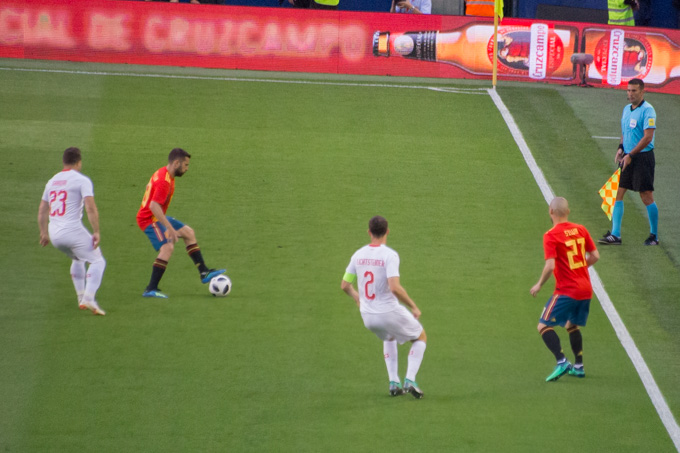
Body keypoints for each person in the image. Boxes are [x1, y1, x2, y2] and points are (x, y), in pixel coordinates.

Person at [341, 216, 426, 398]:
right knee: (420, 337)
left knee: (389, 337)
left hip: (368, 316)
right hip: (387, 311)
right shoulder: (389, 255)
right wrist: (413, 306)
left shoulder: (358, 255)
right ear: (387, 231)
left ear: (369, 232)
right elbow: (395, 288)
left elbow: (345, 285)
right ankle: (410, 379)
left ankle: (393, 382)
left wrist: (357, 298)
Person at [136, 148, 225, 298]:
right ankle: (151, 288)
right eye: (186, 165)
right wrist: (169, 228)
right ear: (176, 163)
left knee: (188, 233)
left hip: (156, 216)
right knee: (167, 247)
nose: (187, 168)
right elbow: (153, 206)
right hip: (149, 219)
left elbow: (149, 187)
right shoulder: (164, 181)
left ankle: (204, 272)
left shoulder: (164, 173)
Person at [530, 197, 599, 382]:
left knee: (543, 325)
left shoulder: (551, 235)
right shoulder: (581, 229)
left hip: (567, 290)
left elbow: (550, 266)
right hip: (585, 289)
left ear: (550, 212)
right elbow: (595, 256)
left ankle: (562, 362)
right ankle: (579, 366)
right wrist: (580, 268)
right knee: (571, 324)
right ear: (568, 211)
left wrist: (539, 284)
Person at [38, 147, 106, 316]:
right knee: (98, 261)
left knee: (78, 257)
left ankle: (81, 297)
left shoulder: (52, 181)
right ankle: (89, 298)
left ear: (63, 161)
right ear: (78, 162)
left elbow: (42, 210)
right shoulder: (81, 180)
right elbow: (90, 207)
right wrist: (96, 231)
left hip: (55, 234)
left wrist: (43, 233)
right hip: (72, 231)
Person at [599, 78, 658, 246]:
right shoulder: (626, 109)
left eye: (634, 91)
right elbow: (625, 131)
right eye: (628, 90)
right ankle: (616, 234)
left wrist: (631, 154)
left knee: (646, 196)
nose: (630, 94)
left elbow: (648, 138)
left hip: (642, 158)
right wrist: (621, 148)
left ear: (642, 92)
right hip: (627, 156)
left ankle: (654, 236)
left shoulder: (648, 111)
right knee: (618, 192)